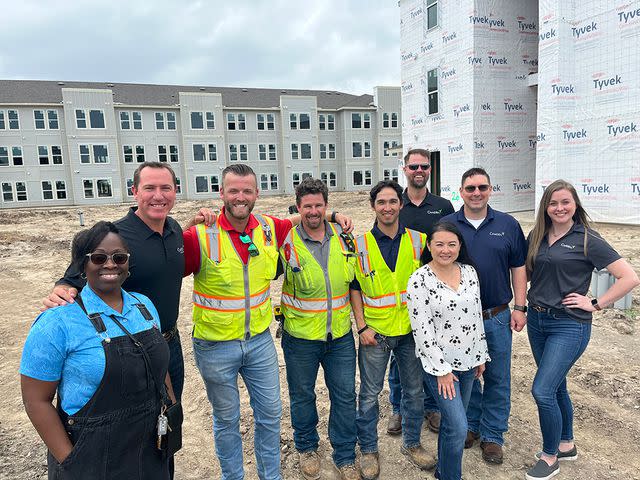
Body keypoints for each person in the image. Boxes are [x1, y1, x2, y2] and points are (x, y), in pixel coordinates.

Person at [182, 164, 352, 480]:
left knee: (271, 416)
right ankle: (233, 476)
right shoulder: (200, 235)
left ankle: (270, 476)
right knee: (227, 419)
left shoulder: (269, 228)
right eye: (233, 190)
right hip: (215, 346)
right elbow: (165, 261)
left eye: (247, 190)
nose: (240, 197)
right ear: (222, 193)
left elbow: (307, 215)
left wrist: (335, 216)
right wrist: (183, 226)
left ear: (257, 194)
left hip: (259, 341)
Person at [21, 221, 175, 480]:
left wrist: (171, 413)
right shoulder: (58, 321)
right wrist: (71, 462)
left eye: (119, 257)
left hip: (151, 451)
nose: (110, 264)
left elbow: (161, 370)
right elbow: (36, 400)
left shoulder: (144, 307)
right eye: (99, 257)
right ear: (82, 265)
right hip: (92, 460)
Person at [42, 162, 188, 404]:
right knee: (132, 423)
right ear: (135, 191)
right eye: (150, 188)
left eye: (166, 188)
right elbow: (72, 278)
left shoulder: (174, 229)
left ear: (175, 191)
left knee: (169, 418)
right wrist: (60, 290)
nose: (158, 196)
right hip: (129, 348)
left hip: (170, 343)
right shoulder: (115, 238)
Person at [524, 180, 639, 480]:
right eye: (553, 203)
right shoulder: (537, 235)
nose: (559, 208)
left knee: (542, 390)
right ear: (545, 207)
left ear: (575, 204)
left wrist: (596, 303)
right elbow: (525, 272)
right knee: (557, 385)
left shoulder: (588, 239)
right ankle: (566, 443)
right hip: (537, 321)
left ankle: (550, 458)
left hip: (569, 324)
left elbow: (629, 277)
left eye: (565, 202)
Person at [442, 167, 528, 464]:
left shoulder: (508, 224)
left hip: (497, 316)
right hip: (459, 320)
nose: (476, 193)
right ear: (461, 191)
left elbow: (519, 267)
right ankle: (472, 425)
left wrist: (520, 306)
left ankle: (493, 436)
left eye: (482, 187)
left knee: (497, 377)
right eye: (470, 188)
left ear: (490, 189)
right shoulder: (448, 224)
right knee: (466, 376)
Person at [351, 180, 434, 479]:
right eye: (381, 202)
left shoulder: (418, 241)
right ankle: (369, 450)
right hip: (376, 334)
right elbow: (355, 287)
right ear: (373, 206)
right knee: (370, 395)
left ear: (401, 205)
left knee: (414, 393)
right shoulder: (359, 245)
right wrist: (361, 326)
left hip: (411, 333)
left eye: (392, 202)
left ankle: (411, 444)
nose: (387, 207)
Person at [279, 178, 359, 480]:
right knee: (302, 395)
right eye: (307, 206)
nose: (313, 211)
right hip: (300, 338)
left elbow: (354, 283)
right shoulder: (285, 241)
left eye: (319, 205)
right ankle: (307, 447)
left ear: (326, 205)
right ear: (298, 208)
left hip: (340, 336)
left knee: (345, 395)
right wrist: (334, 214)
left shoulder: (344, 238)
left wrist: (336, 217)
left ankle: (345, 454)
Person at [407, 221, 490, 480]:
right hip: (440, 367)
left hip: (469, 361)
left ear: (459, 246)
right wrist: (442, 371)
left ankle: (444, 472)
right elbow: (421, 329)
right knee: (457, 425)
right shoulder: (419, 279)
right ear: (429, 246)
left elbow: (476, 316)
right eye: (439, 244)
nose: (445, 250)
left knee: (454, 424)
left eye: (452, 244)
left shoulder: (469, 272)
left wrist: (481, 355)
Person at [387, 148, 454, 435]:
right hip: (401, 295)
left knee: (432, 350)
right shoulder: (393, 203)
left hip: (435, 293)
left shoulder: (442, 206)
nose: (419, 170)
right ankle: (398, 408)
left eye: (424, 166)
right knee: (399, 356)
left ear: (429, 169)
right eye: (413, 166)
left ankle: (432, 407)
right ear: (404, 168)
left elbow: (452, 245)